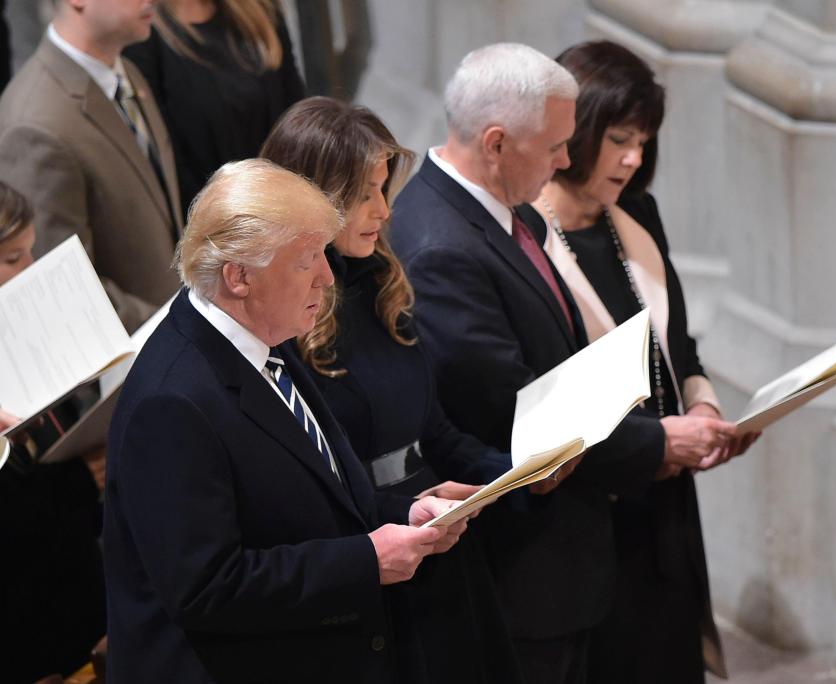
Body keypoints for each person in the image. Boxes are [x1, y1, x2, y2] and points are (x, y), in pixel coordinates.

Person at [389, 42, 738, 684]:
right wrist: (652, 437)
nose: (565, 160)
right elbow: (514, 409)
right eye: (554, 145)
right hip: (526, 561)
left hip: (571, 548)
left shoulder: (497, 212)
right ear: (496, 143)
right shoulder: (442, 244)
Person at [103, 158, 469, 683]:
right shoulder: (172, 403)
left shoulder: (263, 340)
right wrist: (366, 561)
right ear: (239, 277)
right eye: (306, 260)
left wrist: (406, 515)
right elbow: (206, 588)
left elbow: (313, 503)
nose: (327, 274)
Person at [520, 39, 761, 683]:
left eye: (645, 142)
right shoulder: (521, 239)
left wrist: (703, 404)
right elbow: (540, 403)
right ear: (577, 131)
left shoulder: (638, 214)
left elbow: (677, 344)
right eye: (620, 138)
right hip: (590, 512)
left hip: (666, 509)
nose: (633, 159)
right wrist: (658, 438)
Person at [260, 96, 522, 684]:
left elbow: (432, 430)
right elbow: (308, 490)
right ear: (312, 198)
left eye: (384, 188)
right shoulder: (283, 321)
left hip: (438, 549)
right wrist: (408, 511)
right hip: (370, 566)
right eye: (364, 194)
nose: (383, 210)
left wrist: (513, 471)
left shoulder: (382, 283)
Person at [0, 0, 182, 333]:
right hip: (127, 368)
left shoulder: (127, 73)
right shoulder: (35, 123)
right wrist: (179, 326)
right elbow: (62, 289)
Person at [0, 181, 106, 683]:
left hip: (78, 618)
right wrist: (81, 481)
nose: (29, 272)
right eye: (12, 259)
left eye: (31, 253)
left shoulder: (25, 334)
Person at [125, 0, 305, 210]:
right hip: (218, 224)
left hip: (290, 206)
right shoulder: (142, 38)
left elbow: (297, 119)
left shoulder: (261, 9)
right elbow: (171, 162)